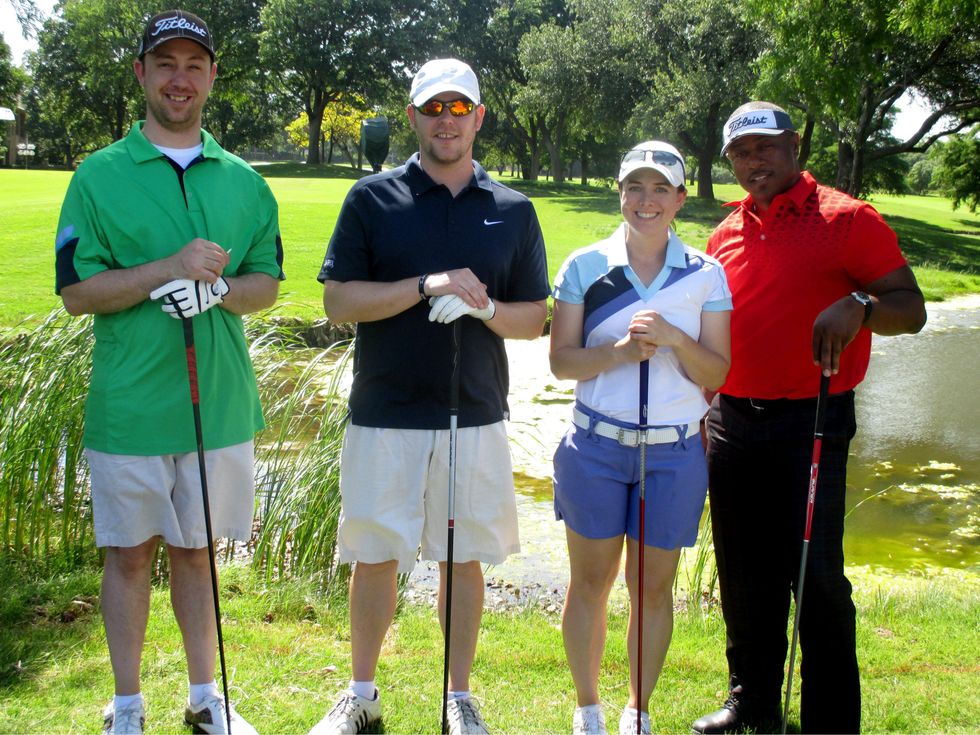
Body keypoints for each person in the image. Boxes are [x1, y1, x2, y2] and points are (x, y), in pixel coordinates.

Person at [54, 9, 284, 735]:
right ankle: (127, 705)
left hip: (215, 405)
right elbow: (75, 293)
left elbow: (267, 284)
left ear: (212, 76)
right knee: (127, 557)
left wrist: (216, 289)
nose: (179, 78)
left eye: (193, 65)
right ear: (142, 75)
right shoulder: (97, 176)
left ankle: (205, 696)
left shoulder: (246, 183)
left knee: (197, 554)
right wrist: (167, 272)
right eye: (165, 64)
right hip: (130, 406)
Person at [310, 58, 549, 735]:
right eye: (432, 108)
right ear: (413, 116)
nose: (446, 120)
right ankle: (361, 694)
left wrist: (483, 306)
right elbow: (337, 301)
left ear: (478, 117)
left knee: (462, 554)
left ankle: (458, 695)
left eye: (458, 108)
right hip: (386, 409)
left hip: (472, 410)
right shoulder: (371, 199)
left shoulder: (512, 209)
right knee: (377, 553)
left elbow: (533, 316)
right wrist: (427, 284)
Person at [691, 102, 926, 734]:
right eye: (741, 152)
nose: (753, 160)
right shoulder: (725, 233)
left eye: (765, 147)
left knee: (816, 577)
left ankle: (831, 720)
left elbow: (911, 307)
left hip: (813, 423)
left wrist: (859, 304)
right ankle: (753, 701)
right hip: (733, 421)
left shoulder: (848, 219)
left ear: (794, 145)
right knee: (742, 571)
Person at [550, 141, 732, 735]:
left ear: (680, 199)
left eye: (660, 189)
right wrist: (621, 352)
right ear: (620, 192)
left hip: (675, 453)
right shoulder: (585, 266)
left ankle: (638, 709)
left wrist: (677, 340)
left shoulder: (707, 274)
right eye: (635, 187)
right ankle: (588, 708)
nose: (646, 200)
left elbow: (717, 374)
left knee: (653, 589)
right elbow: (563, 364)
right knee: (590, 584)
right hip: (596, 448)